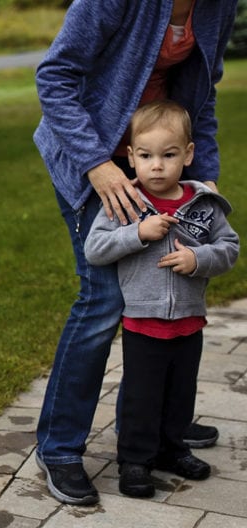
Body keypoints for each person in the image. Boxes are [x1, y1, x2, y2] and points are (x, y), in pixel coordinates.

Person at [32, 0, 239, 505]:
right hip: (94, 159)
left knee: (164, 292)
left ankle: (151, 433)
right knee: (103, 301)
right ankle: (58, 448)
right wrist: (97, 165)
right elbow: (54, 77)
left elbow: (202, 96)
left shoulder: (219, 5)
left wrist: (202, 170)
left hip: (161, 162)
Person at [84, 100, 238, 497]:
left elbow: (230, 247)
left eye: (168, 155)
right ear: (131, 158)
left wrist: (198, 257)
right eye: (147, 156)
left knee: (180, 393)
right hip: (143, 322)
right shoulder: (126, 203)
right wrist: (138, 233)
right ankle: (135, 461)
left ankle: (173, 450)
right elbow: (96, 248)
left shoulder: (203, 204)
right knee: (141, 397)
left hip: (189, 320)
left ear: (188, 155)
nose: (157, 166)